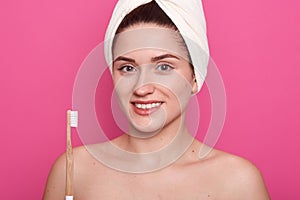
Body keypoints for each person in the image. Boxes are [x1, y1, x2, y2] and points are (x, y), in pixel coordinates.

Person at [43, 1, 270, 199]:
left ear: (195, 77)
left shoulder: (238, 182)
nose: (142, 87)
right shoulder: (73, 171)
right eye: (128, 68)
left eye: (164, 66)